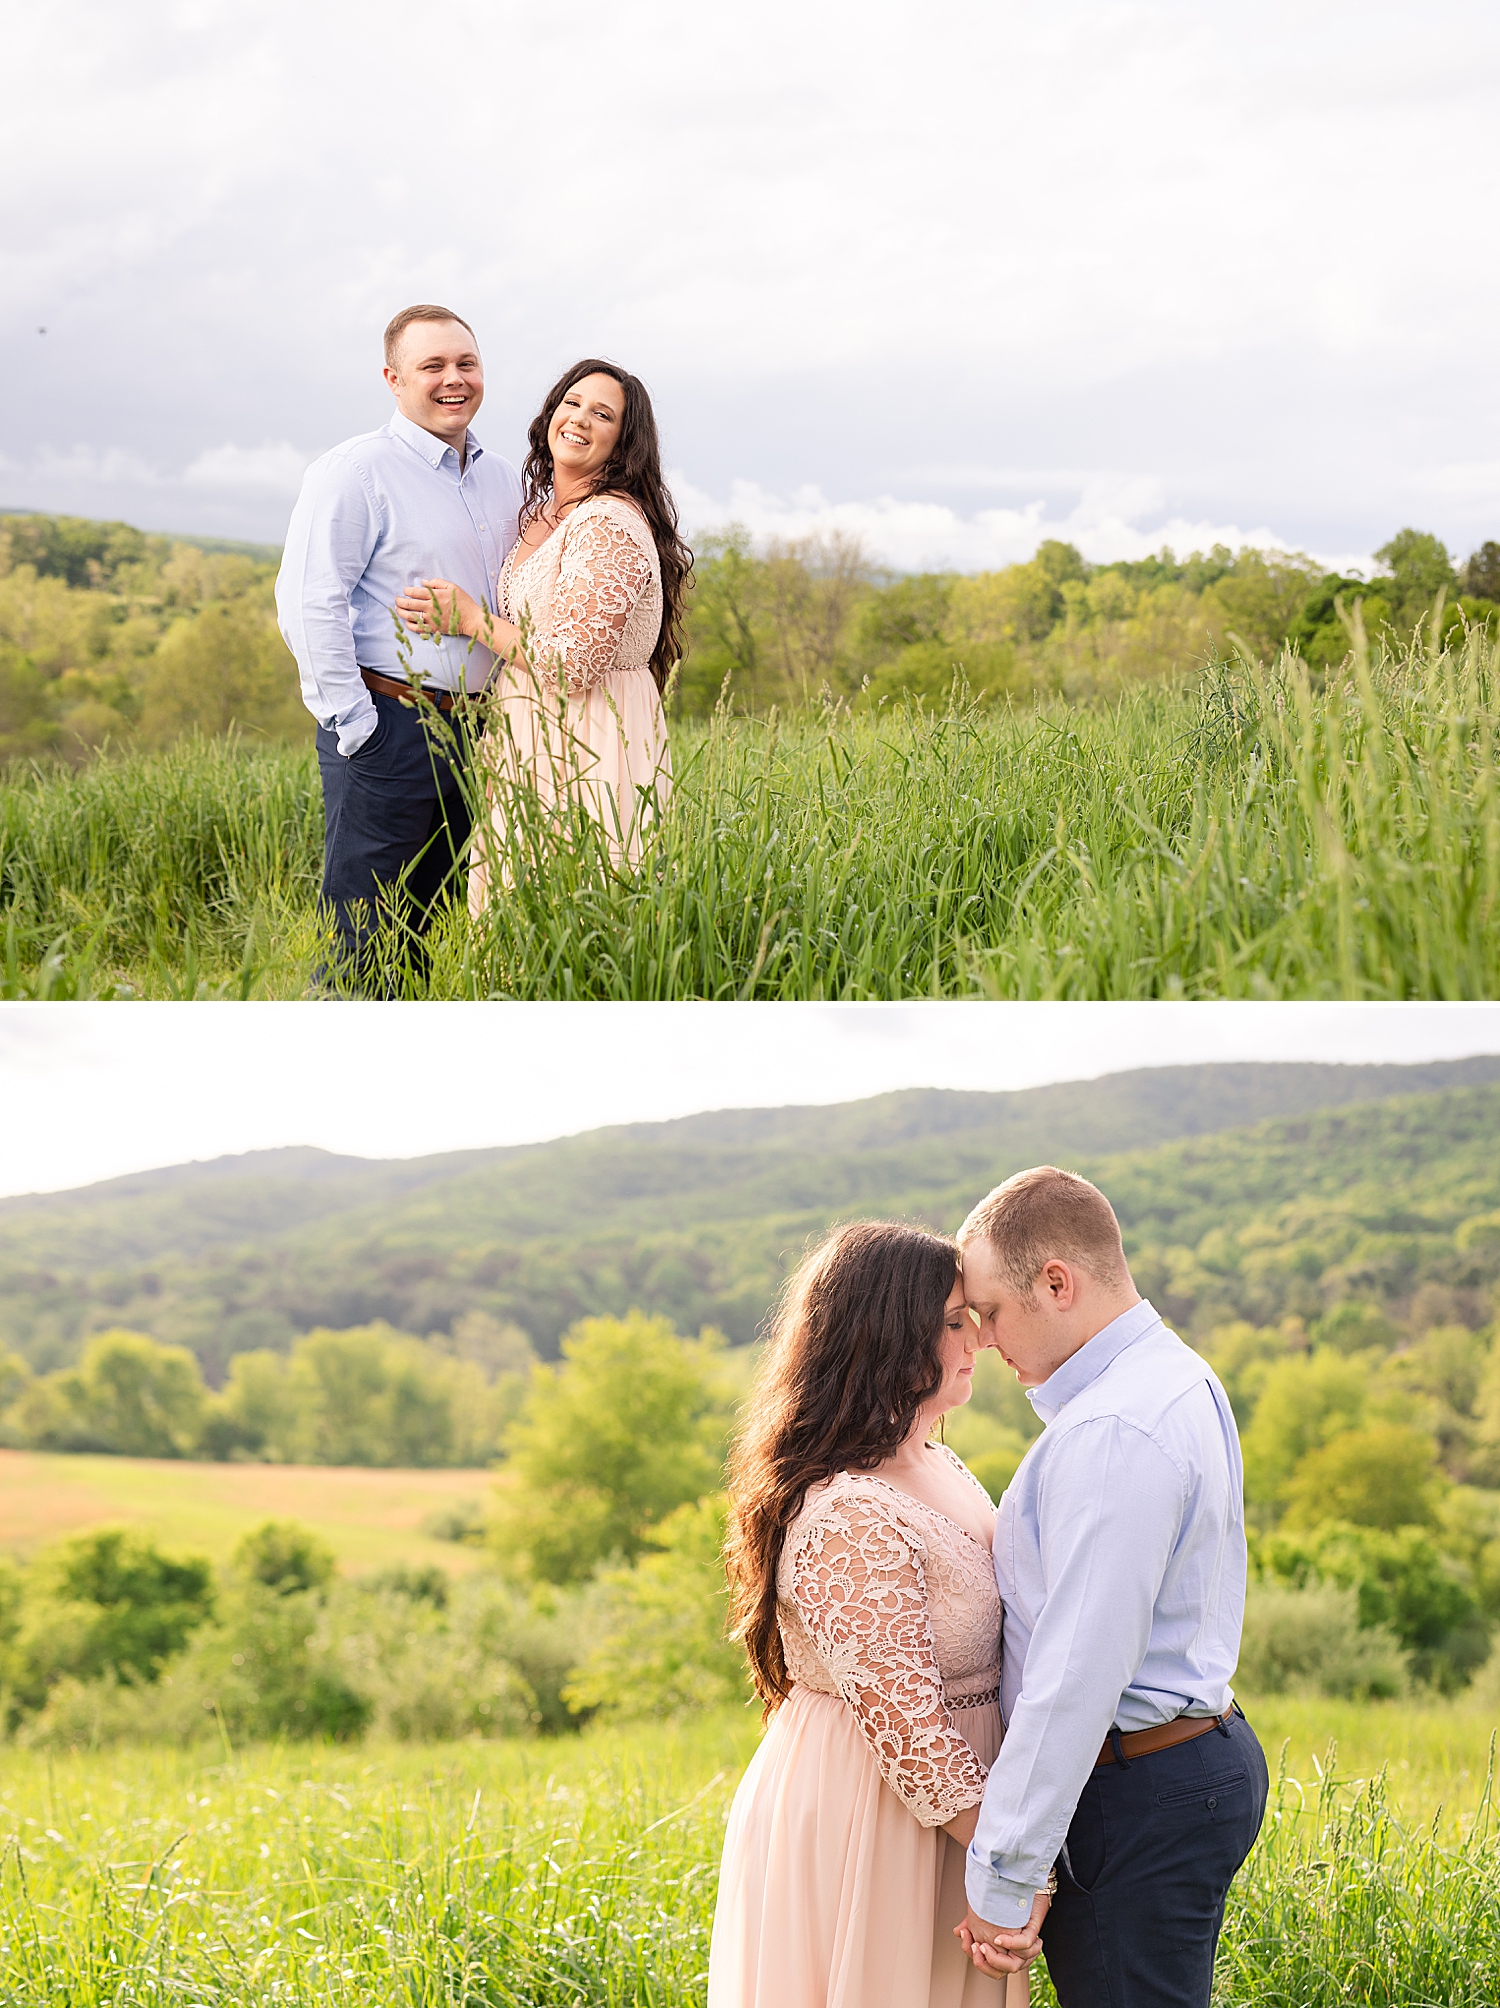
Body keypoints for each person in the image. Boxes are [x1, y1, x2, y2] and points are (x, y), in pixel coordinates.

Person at [953, 1166, 1268, 2007]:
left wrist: (1004, 1876)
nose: (981, 1338)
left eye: (990, 1311)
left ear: (1057, 1283)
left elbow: (1077, 1672)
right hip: (1178, 1762)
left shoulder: (1114, 1430)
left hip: (1136, 1786)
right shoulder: (1172, 1375)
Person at [710, 1219, 1035, 2008]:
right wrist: (1014, 1868)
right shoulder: (847, 1512)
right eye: (956, 1321)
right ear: (890, 1334)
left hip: (957, 1809)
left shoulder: (937, 1459)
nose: (980, 1341)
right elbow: (908, 1728)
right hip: (876, 1812)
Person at [276, 304, 522, 988]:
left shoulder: (503, 477)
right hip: (391, 727)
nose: (453, 380)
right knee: (367, 939)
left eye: (465, 364)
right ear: (393, 378)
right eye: (432, 366)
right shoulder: (355, 471)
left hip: (483, 733)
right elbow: (308, 603)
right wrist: (359, 727)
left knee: (438, 931)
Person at [394, 357, 688, 892]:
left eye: (602, 414)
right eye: (571, 403)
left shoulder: (608, 523)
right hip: (529, 730)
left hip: (592, 732)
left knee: (578, 901)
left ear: (625, 442)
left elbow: (573, 663)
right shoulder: (547, 513)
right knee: (517, 903)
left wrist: (471, 620)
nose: (579, 419)